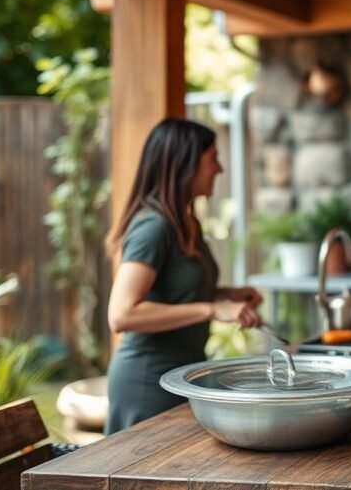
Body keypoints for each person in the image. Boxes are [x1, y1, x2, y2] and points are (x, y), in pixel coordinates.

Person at [105, 119, 264, 435]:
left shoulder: (186, 222)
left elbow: (175, 292)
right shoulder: (154, 228)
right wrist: (212, 309)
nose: (219, 169)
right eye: (212, 159)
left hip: (183, 377)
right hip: (147, 383)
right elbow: (122, 314)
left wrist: (227, 294)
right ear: (184, 165)